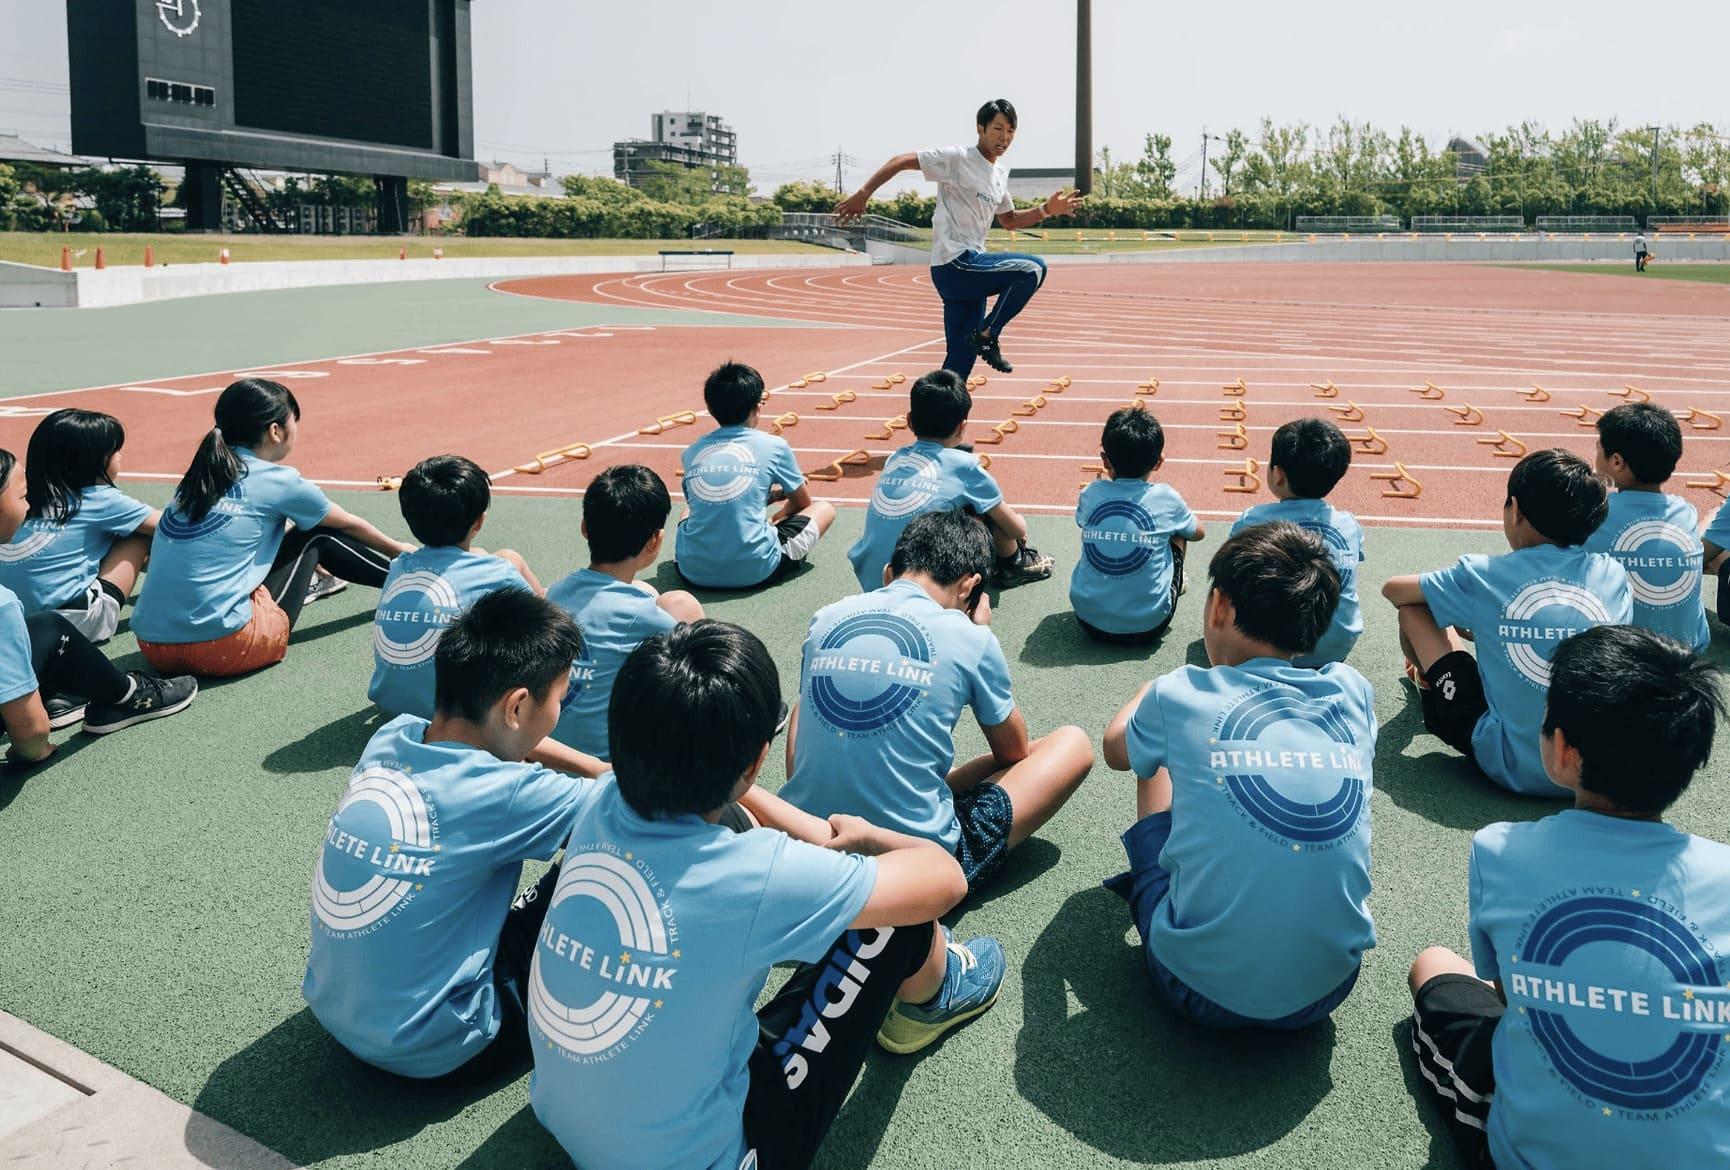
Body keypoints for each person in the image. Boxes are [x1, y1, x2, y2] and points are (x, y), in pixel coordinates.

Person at [528, 620, 997, 1170]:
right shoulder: (754, 871)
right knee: (896, 920)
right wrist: (868, 839)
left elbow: (726, 811)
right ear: (753, 763)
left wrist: (743, 798)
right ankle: (933, 998)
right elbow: (943, 879)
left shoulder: (600, 802)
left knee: (734, 833)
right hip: (710, 1158)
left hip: (566, 1120)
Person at [1405, 625, 1730, 1170]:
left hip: (1527, 1157)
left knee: (1433, 964)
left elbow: (1508, 998)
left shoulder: (1501, 850)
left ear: (1562, 751)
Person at [303, 589, 607, 1079]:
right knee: (612, 850)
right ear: (517, 707)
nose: (561, 710)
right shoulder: (507, 793)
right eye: (561, 696)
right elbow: (634, 803)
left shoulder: (392, 736)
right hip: (443, 1048)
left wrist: (586, 762)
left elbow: (494, 748)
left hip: (334, 1010)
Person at [1102, 522, 1375, 1028]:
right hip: (1330, 986)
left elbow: (1117, 752)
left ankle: (1172, 900)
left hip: (1195, 988)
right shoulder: (1353, 692)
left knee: (1151, 760)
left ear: (1220, 606)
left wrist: (1149, 689)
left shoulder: (1177, 693)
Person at [784, 509, 1094, 894]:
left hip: (807, 840)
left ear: (888, 573)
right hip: (912, 868)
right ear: (970, 587)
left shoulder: (826, 616)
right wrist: (978, 632)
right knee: (1072, 745)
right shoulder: (970, 637)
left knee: (804, 701)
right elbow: (1012, 753)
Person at [1382, 448, 1632, 796]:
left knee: (1415, 609)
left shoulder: (1485, 575)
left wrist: (1474, 617)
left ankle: (1430, 682)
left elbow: (1393, 589)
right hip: (1593, 771)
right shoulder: (1612, 575)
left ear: (1515, 511)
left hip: (1511, 765)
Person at [131, 379, 414, 677]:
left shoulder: (197, 479)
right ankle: (410, 581)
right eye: (294, 421)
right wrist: (401, 550)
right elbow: (347, 524)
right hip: (222, 647)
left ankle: (326, 579)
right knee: (316, 534)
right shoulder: (279, 481)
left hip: (153, 648)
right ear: (275, 431)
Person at [834, 98, 1083, 377]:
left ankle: (936, 418)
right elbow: (900, 161)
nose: (1005, 137)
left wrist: (1048, 209)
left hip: (967, 275)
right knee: (1032, 269)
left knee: (959, 361)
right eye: (998, 128)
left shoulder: (998, 175)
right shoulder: (958, 158)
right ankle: (988, 335)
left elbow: (1010, 220)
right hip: (955, 263)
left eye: (1011, 131)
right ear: (980, 128)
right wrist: (863, 194)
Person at [0, 446, 195, 762]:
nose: (29, 505)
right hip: (81, 613)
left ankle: (57, 692)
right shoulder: (3, 605)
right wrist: (34, 749)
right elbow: (32, 734)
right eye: (22, 498)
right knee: (48, 627)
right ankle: (129, 695)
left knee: (42, 628)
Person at [369, 455, 544, 719]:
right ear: (479, 521)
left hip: (391, 706)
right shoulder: (497, 574)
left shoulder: (399, 566)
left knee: (508, 558)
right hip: (456, 719)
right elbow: (547, 633)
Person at [848, 369, 1053, 592]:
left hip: (871, 579)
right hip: (923, 589)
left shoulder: (895, 459)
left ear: (909, 420)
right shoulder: (965, 466)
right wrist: (1018, 525)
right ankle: (1015, 565)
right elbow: (1015, 529)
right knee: (986, 510)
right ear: (962, 427)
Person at [547, 465, 702, 758]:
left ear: (584, 527)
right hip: (617, 766)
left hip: (549, 752)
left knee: (651, 594)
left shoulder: (555, 592)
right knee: (685, 609)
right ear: (654, 541)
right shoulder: (645, 618)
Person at [0, 409, 155, 647]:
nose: (120, 456)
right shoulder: (100, 499)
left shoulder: (30, 497)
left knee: (101, 535)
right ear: (95, 460)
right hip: (75, 625)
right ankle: (174, 589)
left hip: (16, 621)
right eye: (115, 451)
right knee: (137, 535)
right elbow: (170, 526)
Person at [675, 361, 835, 589]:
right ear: (757, 406)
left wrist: (770, 496)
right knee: (824, 508)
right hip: (756, 570)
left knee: (688, 509)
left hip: (692, 571)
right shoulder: (775, 446)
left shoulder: (691, 452)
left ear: (710, 409)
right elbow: (803, 502)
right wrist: (779, 513)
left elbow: (706, 501)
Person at [1229, 418, 1364, 667]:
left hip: (1269, 649)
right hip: (1335, 649)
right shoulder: (1349, 524)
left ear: (1277, 474)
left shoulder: (1252, 520)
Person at [1070, 406, 1204, 644]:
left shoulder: (1091, 492)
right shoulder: (1167, 497)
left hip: (1087, 621)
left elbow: (1083, 523)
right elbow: (1198, 533)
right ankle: (1177, 580)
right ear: (1159, 462)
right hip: (1149, 625)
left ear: (1104, 460)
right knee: (1178, 533)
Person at [1584, 402, 1708, 651]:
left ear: (1617, 462)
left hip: (1617, 655)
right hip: (1686, 652)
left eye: (1598, 450)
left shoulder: (1592, 512)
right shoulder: (1685, 512)